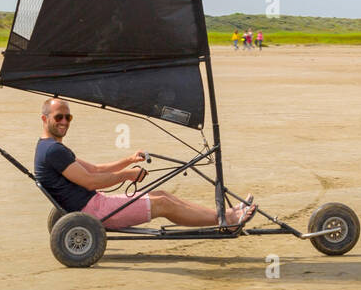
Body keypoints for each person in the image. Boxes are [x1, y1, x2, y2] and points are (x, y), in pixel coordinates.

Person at [34, 98, 256, 231]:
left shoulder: (50, 148)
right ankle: (227, 220)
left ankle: (226, 215)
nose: (64, 122)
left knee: (162, 194)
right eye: (59, 117)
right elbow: (91, 182)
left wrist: (129, 160)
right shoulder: (53, 150)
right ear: (45, 119)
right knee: (163, 204)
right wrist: (127, 175)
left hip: (93, 205)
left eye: (68, 118)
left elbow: (94, 169)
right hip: (93, 210)